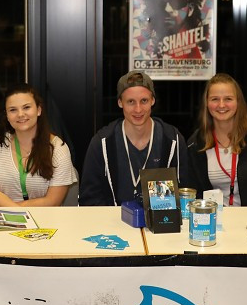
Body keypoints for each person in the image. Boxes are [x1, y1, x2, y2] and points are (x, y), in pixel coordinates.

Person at [79, 71, 193, 206]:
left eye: (144, 101)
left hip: (160, 224)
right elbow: (89, 199)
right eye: (131, 102)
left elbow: (185, 193)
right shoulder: (102, 143)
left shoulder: (172, 140)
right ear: (120, 103)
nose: (138, 109)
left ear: (153, 101)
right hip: (113, 223)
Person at [186, 73, 247, 206]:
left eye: (228, 99)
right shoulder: (196, 143)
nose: (221, 105)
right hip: (214, 220)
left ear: (238, 102)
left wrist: (246, 220)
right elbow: (195, 193)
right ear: (206, 103)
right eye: (215, 99)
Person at [0, 83, 77, 206]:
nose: (20, 114)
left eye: (26, 107)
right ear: (7, 115)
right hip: (2, 217)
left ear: (38, 110)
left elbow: (53, 201)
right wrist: (16, 211)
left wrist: (17, 211)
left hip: (44, 220)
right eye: (13, 110)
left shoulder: (58, 148)